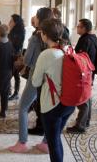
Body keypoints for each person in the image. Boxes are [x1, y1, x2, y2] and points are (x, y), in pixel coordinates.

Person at [8, 8, 53, 153]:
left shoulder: (35, 37)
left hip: (36, 75)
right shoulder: (58, 33)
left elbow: (27, 60)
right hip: (52, 76)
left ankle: (22, 142)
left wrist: (24, 58)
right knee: (47, 109)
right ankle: (46, 142)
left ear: (39, 19)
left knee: (23, 107)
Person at [32, 18, 75, 162]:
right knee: (56, 139)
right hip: (69, 102)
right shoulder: (68, 48)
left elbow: (35, 82)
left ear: (44, 34)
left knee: (53, 142)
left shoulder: (47, 54)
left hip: (53, 105)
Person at [66, 19, 97, 134]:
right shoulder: (93, 37)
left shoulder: (85, 40)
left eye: (79, 26)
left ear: (84, 28)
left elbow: (79, 59)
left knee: (82, 99)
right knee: (87, 96)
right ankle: (86, 121)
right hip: (90, 72)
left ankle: (80, 126)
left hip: (84, 73)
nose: (77, 28)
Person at [8, 14, 25, 100]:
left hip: (15, 55)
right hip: (11, 54)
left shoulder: (19, 32)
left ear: (15, 22)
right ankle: (11, 91)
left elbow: (16, 45)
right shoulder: (12, 31)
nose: (9, 23)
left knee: (13, 74)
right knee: (14, 74)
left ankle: (15, 93)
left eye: (11, 21)